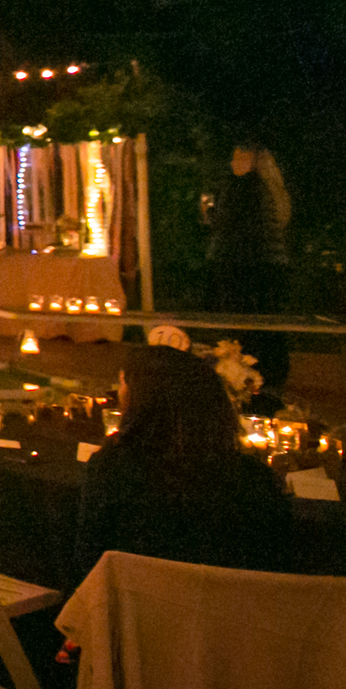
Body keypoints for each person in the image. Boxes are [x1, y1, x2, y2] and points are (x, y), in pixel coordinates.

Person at [74, 343, 293, 582]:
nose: (119, 393)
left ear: (142, 400)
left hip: (139, 612)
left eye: (124, 384)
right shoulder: (253, 478)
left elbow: (90, 563)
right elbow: (270, 567)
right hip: (227, 615)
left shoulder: (112, 468)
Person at [207, 142, 292, 390]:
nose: (232, 164)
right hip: (270, 268)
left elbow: (231, 227)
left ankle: (250, 381)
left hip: (243, 268)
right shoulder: (271, 188)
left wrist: (211, 217)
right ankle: (272, 378)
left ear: (249, 161)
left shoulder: (244, 188)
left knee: (246, 328)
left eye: (237, 158)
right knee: (269, 326)